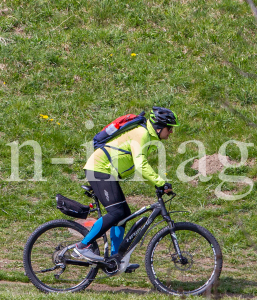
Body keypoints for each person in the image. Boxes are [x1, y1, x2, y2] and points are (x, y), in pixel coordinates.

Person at [72, 107, 178, 263]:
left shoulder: (148, 137)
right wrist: (160, 182)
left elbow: (141, 166)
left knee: (123, 214)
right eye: (170, 128)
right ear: (159, 127)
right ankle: (82, 246)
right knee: (116, 212)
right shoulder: (141, 134)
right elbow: (140, 164)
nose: (171, 132)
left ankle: (115, 258)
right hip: (99, 169)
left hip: (106, 172)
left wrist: (157, 185)